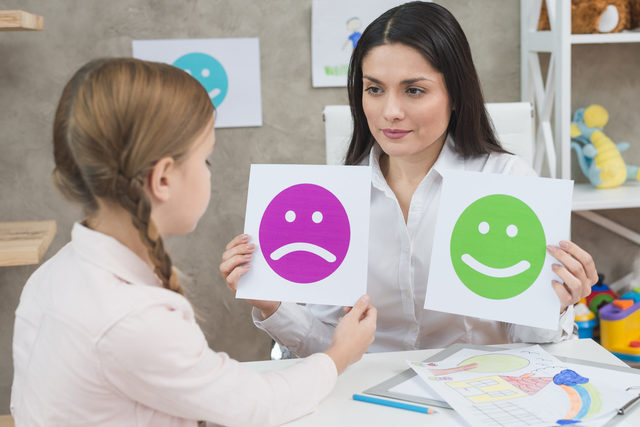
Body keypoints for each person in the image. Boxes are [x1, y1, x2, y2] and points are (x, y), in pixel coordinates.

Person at [10, 58, 377, 427]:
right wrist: (340, 353)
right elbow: (253, 406)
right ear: (163, 180)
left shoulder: (54, 275)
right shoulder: (133, 319)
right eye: (207, 160)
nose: (209, 172)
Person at [220, 1, 598, 358]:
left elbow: (529, 344)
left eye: (414, 90)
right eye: (374, 89)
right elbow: (327, 350)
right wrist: (272, 304)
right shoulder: (338, 198)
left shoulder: (505, 180)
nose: (391, 112)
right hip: (368, 398)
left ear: (455, 95)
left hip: (478, 394)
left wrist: (557, 301)